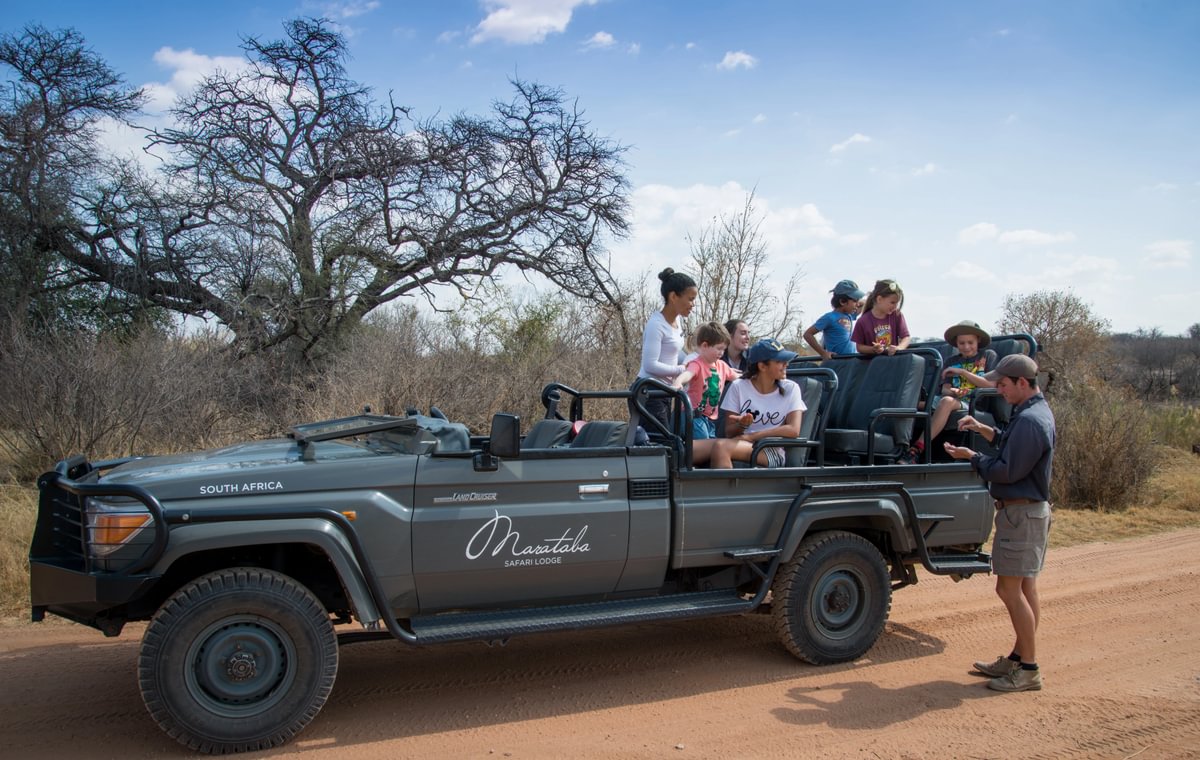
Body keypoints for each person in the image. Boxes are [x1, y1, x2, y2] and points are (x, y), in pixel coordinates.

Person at [944, 353, 1055, 693]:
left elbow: (1008, 470)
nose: (1000, 390)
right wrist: (983, 430)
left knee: (1008, 589)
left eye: (1004, 385)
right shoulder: (1031, 413)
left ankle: (1029, 669)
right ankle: (1019, 658)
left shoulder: (1030, 421)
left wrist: (973, 457)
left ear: (1023, 383)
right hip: (1026, 512)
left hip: (1021, 514)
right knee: (1024, 589)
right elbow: (1012, 448)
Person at [693, 338, 805, 468]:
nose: (786, 364)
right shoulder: (738, 386)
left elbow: (793, 430)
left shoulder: (791, 388)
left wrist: (752, 437)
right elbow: (729, 432)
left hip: (770, 449)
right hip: (739, 442)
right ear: (762, 366)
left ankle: (724, 482)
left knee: (721, 447)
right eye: (779, 361)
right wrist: (742, 425)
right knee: (688, 449)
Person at [901, 320, 997, 463]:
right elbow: (945, 389)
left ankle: (917, 449)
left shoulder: (988, 356)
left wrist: (963, 372)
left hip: (973, 402)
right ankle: (899, 446)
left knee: (946, 402)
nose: (966, 347)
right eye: (962, 343)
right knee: (909, 402)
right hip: (954, 397)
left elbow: (991, 385)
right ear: (956, 343)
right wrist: (954, 391)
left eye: (970, 342)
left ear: (978, 340)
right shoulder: (951, 361)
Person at [638, 268, 697, 430]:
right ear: (673, 296)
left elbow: (675, 352)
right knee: (662, 441)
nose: (693, 304)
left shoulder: (678, 321)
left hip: (665, 391)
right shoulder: (656, 324)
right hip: (649, 391)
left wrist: (695, 364)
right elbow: (650, 365)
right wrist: (680, 370)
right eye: (690, 299)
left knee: (669, 439)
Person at [673, 321, 739, 440]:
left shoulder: (722, 366)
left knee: (711, 445)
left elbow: (738, 378)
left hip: (710, 418)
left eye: (724, 349)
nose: (722, 353)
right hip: (694, 417)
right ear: (704, 346)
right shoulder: (697, 364)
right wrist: (678, 382)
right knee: (704, 443)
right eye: (719, 349)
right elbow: (687, 374)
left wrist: (754, 377)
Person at [803, 279, 866, 360]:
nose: (857, 304)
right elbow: (807, 334)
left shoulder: (849, 315)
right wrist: (823, 353)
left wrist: (859, 300)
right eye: (855, 301)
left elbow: (863, 304)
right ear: (842, 301)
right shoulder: (829, 317)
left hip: (851, 361)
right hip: (837, 362)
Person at [850, 279, 911, 356]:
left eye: (897, 303)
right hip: (873, 362)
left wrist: (899, 348)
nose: (895, 306)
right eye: (892, 302)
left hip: (894, 362)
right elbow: (859, 347)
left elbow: (906, 337)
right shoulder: (862, 321)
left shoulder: (897, 315)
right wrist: (873, 349)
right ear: (879, 299)